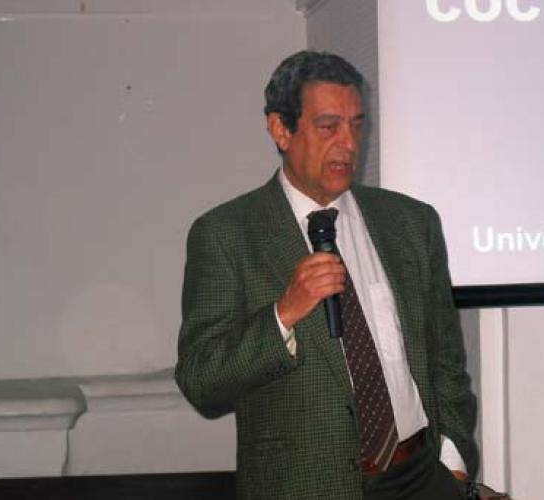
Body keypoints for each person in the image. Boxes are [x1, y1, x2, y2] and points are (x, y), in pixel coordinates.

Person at [176, 50, 479, 500]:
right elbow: (202, 382)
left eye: (356, 125)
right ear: (281, 129)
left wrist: (452, 465)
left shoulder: (412, 224)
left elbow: (446, 359)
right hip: (304, 486)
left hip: (421, 477)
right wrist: (283, 314)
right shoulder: (227, 234)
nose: (348, 143)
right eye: (328, 126)